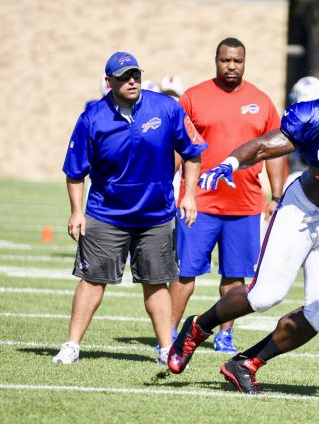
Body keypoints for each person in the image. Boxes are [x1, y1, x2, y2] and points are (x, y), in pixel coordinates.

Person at [166, 54, 319, 393]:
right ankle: (197, 328)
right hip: (302, 212)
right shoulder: (311, 115)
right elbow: (262, 147)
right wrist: (229, 162)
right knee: (265, 294)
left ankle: (247, 362)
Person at [52, 51, 206, 365]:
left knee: (156, 282)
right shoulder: (92, 117)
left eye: (135, 74)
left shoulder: (166, 108)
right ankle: (71, 345)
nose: (132, 81)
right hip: (106, 214)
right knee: (92, 280)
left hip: (155, 216)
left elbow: (192, 152)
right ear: (109, 82)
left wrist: (189, 195)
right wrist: (76, 212)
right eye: (124, 77)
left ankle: (166, 349)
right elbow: (74, 171)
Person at [171, 37, 286, 354]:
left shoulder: (261, 101)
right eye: (225, 60)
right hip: (199, 204)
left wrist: (276, 195)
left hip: (245, 206)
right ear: (216, 60)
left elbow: (275, 152)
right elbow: (180, 148)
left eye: (237, 61)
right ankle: (168, 337)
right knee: (185, 274)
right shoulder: (194, 97)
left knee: (235, 277)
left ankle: (224, 335)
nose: (231, 66)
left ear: (244, 61)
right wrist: (166, 185)